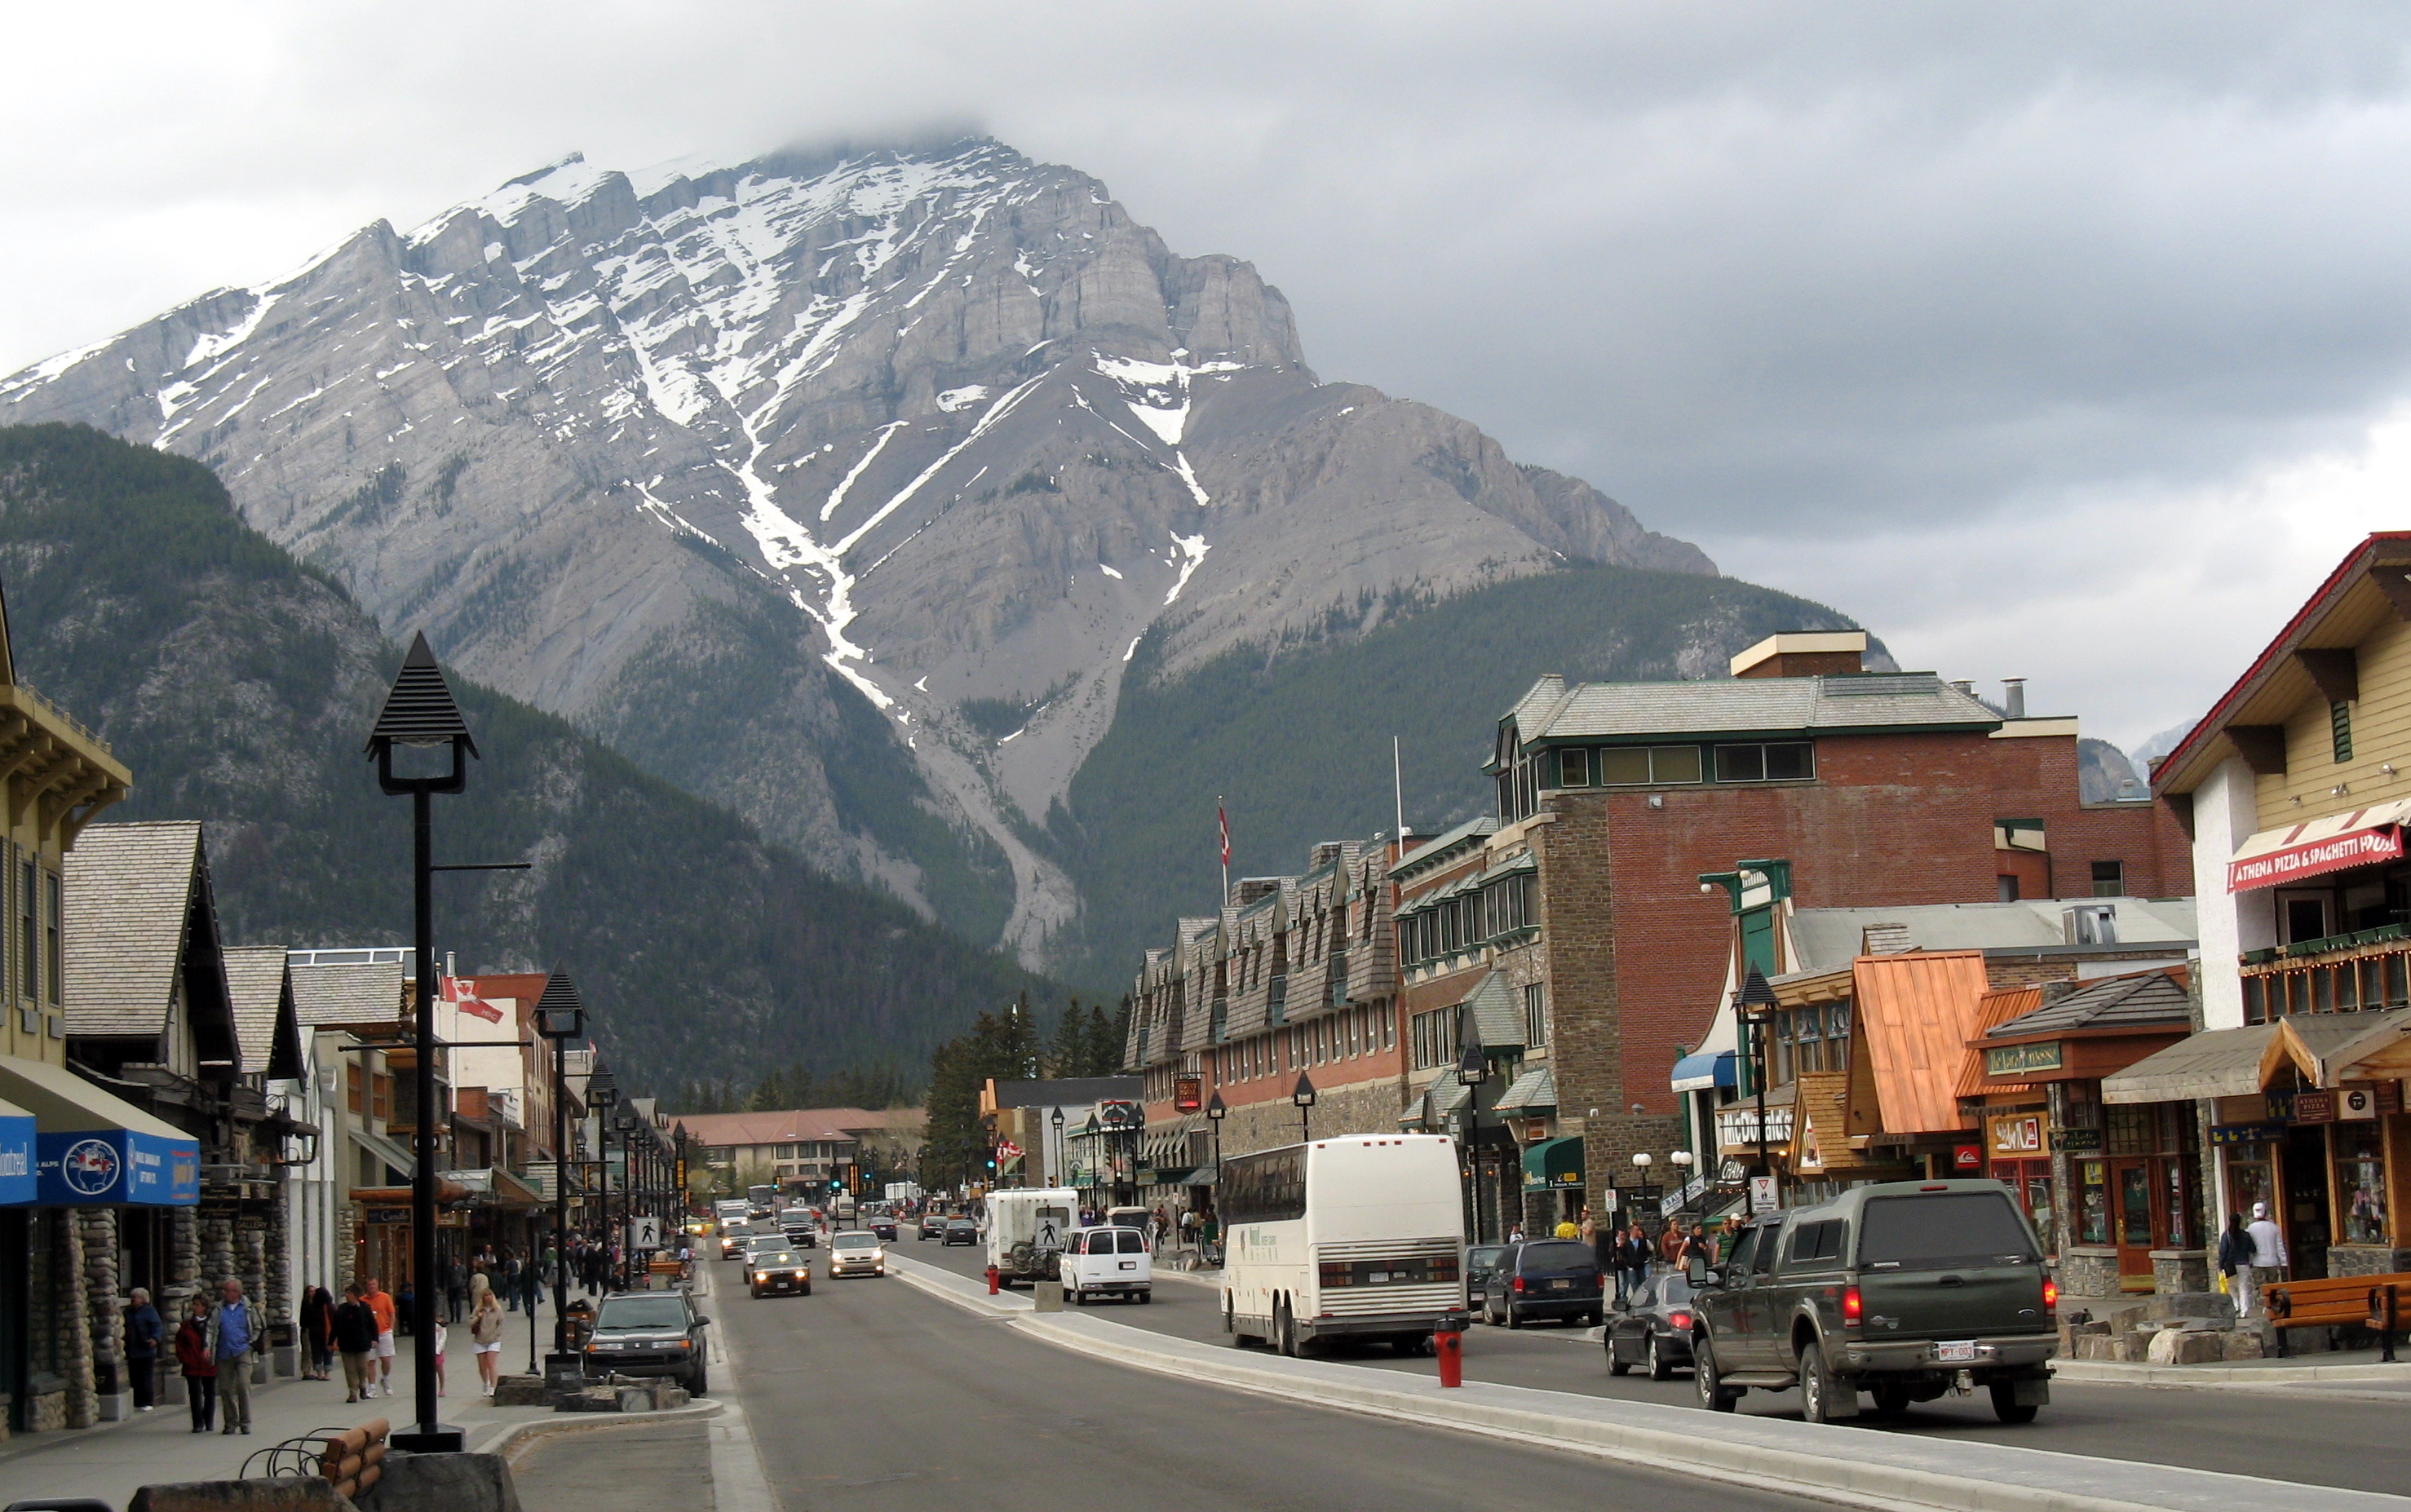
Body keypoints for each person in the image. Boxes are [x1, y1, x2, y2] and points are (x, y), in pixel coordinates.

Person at [209, 1275, 257, 1435]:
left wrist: (250, 1342)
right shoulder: (219, 1309)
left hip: (242, 1350)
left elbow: (257, 1327)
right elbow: (211, 1328)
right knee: (225, 1389)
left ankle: (245, 1422)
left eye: (229, 1291)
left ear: (237, 1292)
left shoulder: (247, 1308)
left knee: (243, 1386)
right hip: (224, 1352)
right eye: (225, 1290)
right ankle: (231, 1422)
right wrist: (208, 1346)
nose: (226, 1294)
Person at [175, 1293, 218, 1433]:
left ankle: (209, 1420)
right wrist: (184, 1358)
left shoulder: (212, 1323)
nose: (194, 1307)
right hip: (192, 1363)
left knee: (210, 1394)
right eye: (194, 1305)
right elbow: (180, 1342)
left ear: (204, 1307)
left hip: (209, 1363)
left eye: (197, 1305)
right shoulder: (187, 1325)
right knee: (194, 1394)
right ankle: (197, 1423)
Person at [333, 1283, 380, 1404]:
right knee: (350, 1369)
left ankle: (363, 1385)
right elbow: (336, 1326)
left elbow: (372, 1324)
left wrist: (375, 1338)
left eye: (349, 1293)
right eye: (346, 1293)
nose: (347, 1295)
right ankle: (353, 1393)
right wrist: (331, 1341)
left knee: (362, 1367)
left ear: (355, 1295)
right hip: (346, 1342)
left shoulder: (364, 1307)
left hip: (362, 1342)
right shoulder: (342, 1308)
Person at [2244, 1201, 2289, 1317]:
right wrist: (2284, 1262)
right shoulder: (2274, 1228)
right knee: (2272, 1288)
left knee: (2260, 1288)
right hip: (2272, 1262)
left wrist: (2249, 1260)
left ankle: (2265, 1307)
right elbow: (2280, 1246)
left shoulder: (2251, 1229)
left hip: (2258, 1262)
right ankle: (2271, 1306)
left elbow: (2249, 1247)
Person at [124, 1287, 162, 1411]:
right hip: (132, 1349)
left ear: (142, 1299)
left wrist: (154, 1339)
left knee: (146, 1376)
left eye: (135, 1297)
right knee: (135, 1377)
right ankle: (138, 1402)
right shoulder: (129, 1312)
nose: (133, 1300)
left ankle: (148, 1401)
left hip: (146, 1349)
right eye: (132, 1297)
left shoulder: (149, 1311)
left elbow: (157, 1326)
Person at [470, 1274, 507, 1394]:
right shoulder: (478, 1309)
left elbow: (501, 1323)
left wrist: (497, 1334)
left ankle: (493, 1387)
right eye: (486, 1296)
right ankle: (486, 1383)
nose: (488, 1298)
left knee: (491, 1363)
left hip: (493, 1340)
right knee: (482, 1365)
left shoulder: (497, 1309)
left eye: (490, 1295)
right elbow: (470, 1322)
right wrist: (478, 1318)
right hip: (480, 1340)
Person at [361, 1275, 396, 1396]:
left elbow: (392, 1314)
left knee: (386, 1359)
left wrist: (391, 1329)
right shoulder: (363, 1301)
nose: (371, 1287)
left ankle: (385, 1379)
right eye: (369, 1285)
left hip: (384, 1331)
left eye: (373, 1284)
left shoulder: (385, 1297)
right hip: (370, 1335)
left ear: (377, 1285)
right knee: (371, 1361)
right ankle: (372, 1388)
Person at [2215, 1211, 2254, 1310]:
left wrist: (2220, 1265)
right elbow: (2253, 1249)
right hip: (2243, 1263)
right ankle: (2244, 1310)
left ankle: (2236, 1305)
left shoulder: (2227, 1235)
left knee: (2231, 1286)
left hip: (2230, 1265)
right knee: (2243, 1287)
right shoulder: (2246, 1235)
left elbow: (2223, 1251)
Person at [299, 1284, 334, 1382]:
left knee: (316, 1353)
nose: (313, 1294)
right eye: (311, 1291)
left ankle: (319, 1373)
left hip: (314, 1334)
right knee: (326, 1353)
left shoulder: (313, 1307)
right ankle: (325, 1374)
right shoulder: (330, 1307)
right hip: (326, 1333)